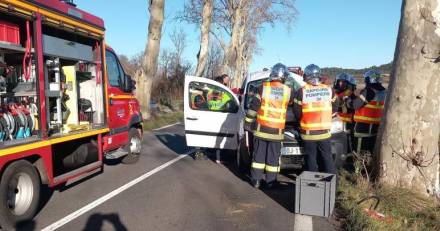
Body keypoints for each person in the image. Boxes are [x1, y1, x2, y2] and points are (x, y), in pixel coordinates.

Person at [244, 63, 293, 189]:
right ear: (283, 77)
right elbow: (292, 107)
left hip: (261, 130)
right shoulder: (288, 91)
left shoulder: (263, 88)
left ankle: (256, 181)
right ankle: (271, 182)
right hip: (277, 132)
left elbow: (253, 107)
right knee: (273, 158)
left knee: (258, 156)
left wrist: (248, 122)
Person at [293, 64, 336, 175]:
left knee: (311, 159)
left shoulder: (301, 91)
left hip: (308, 133)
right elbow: (336, 105)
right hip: (324, 132)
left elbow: (297, 112)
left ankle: (313, 185)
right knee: (327, 159)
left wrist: (301, 122)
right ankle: (333, 186)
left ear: (307, 77)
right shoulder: (329, 90)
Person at [352, 70, 386, 154]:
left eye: (366, 79)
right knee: (371, 152)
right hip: (376, 128)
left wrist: (350, 99)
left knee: (360, 153)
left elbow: (354, 105)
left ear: (369, 80)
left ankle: (359, 167)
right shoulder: (384, 92)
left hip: (363, 129)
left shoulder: (368, 92)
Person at [333, 72, 357, 152]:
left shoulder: (350, 98)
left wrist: (336, 115)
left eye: (342, 83)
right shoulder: (338, 95)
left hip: (347, 127)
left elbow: (350, 115)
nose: (339, 84)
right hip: (337, 126)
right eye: (339, 82)